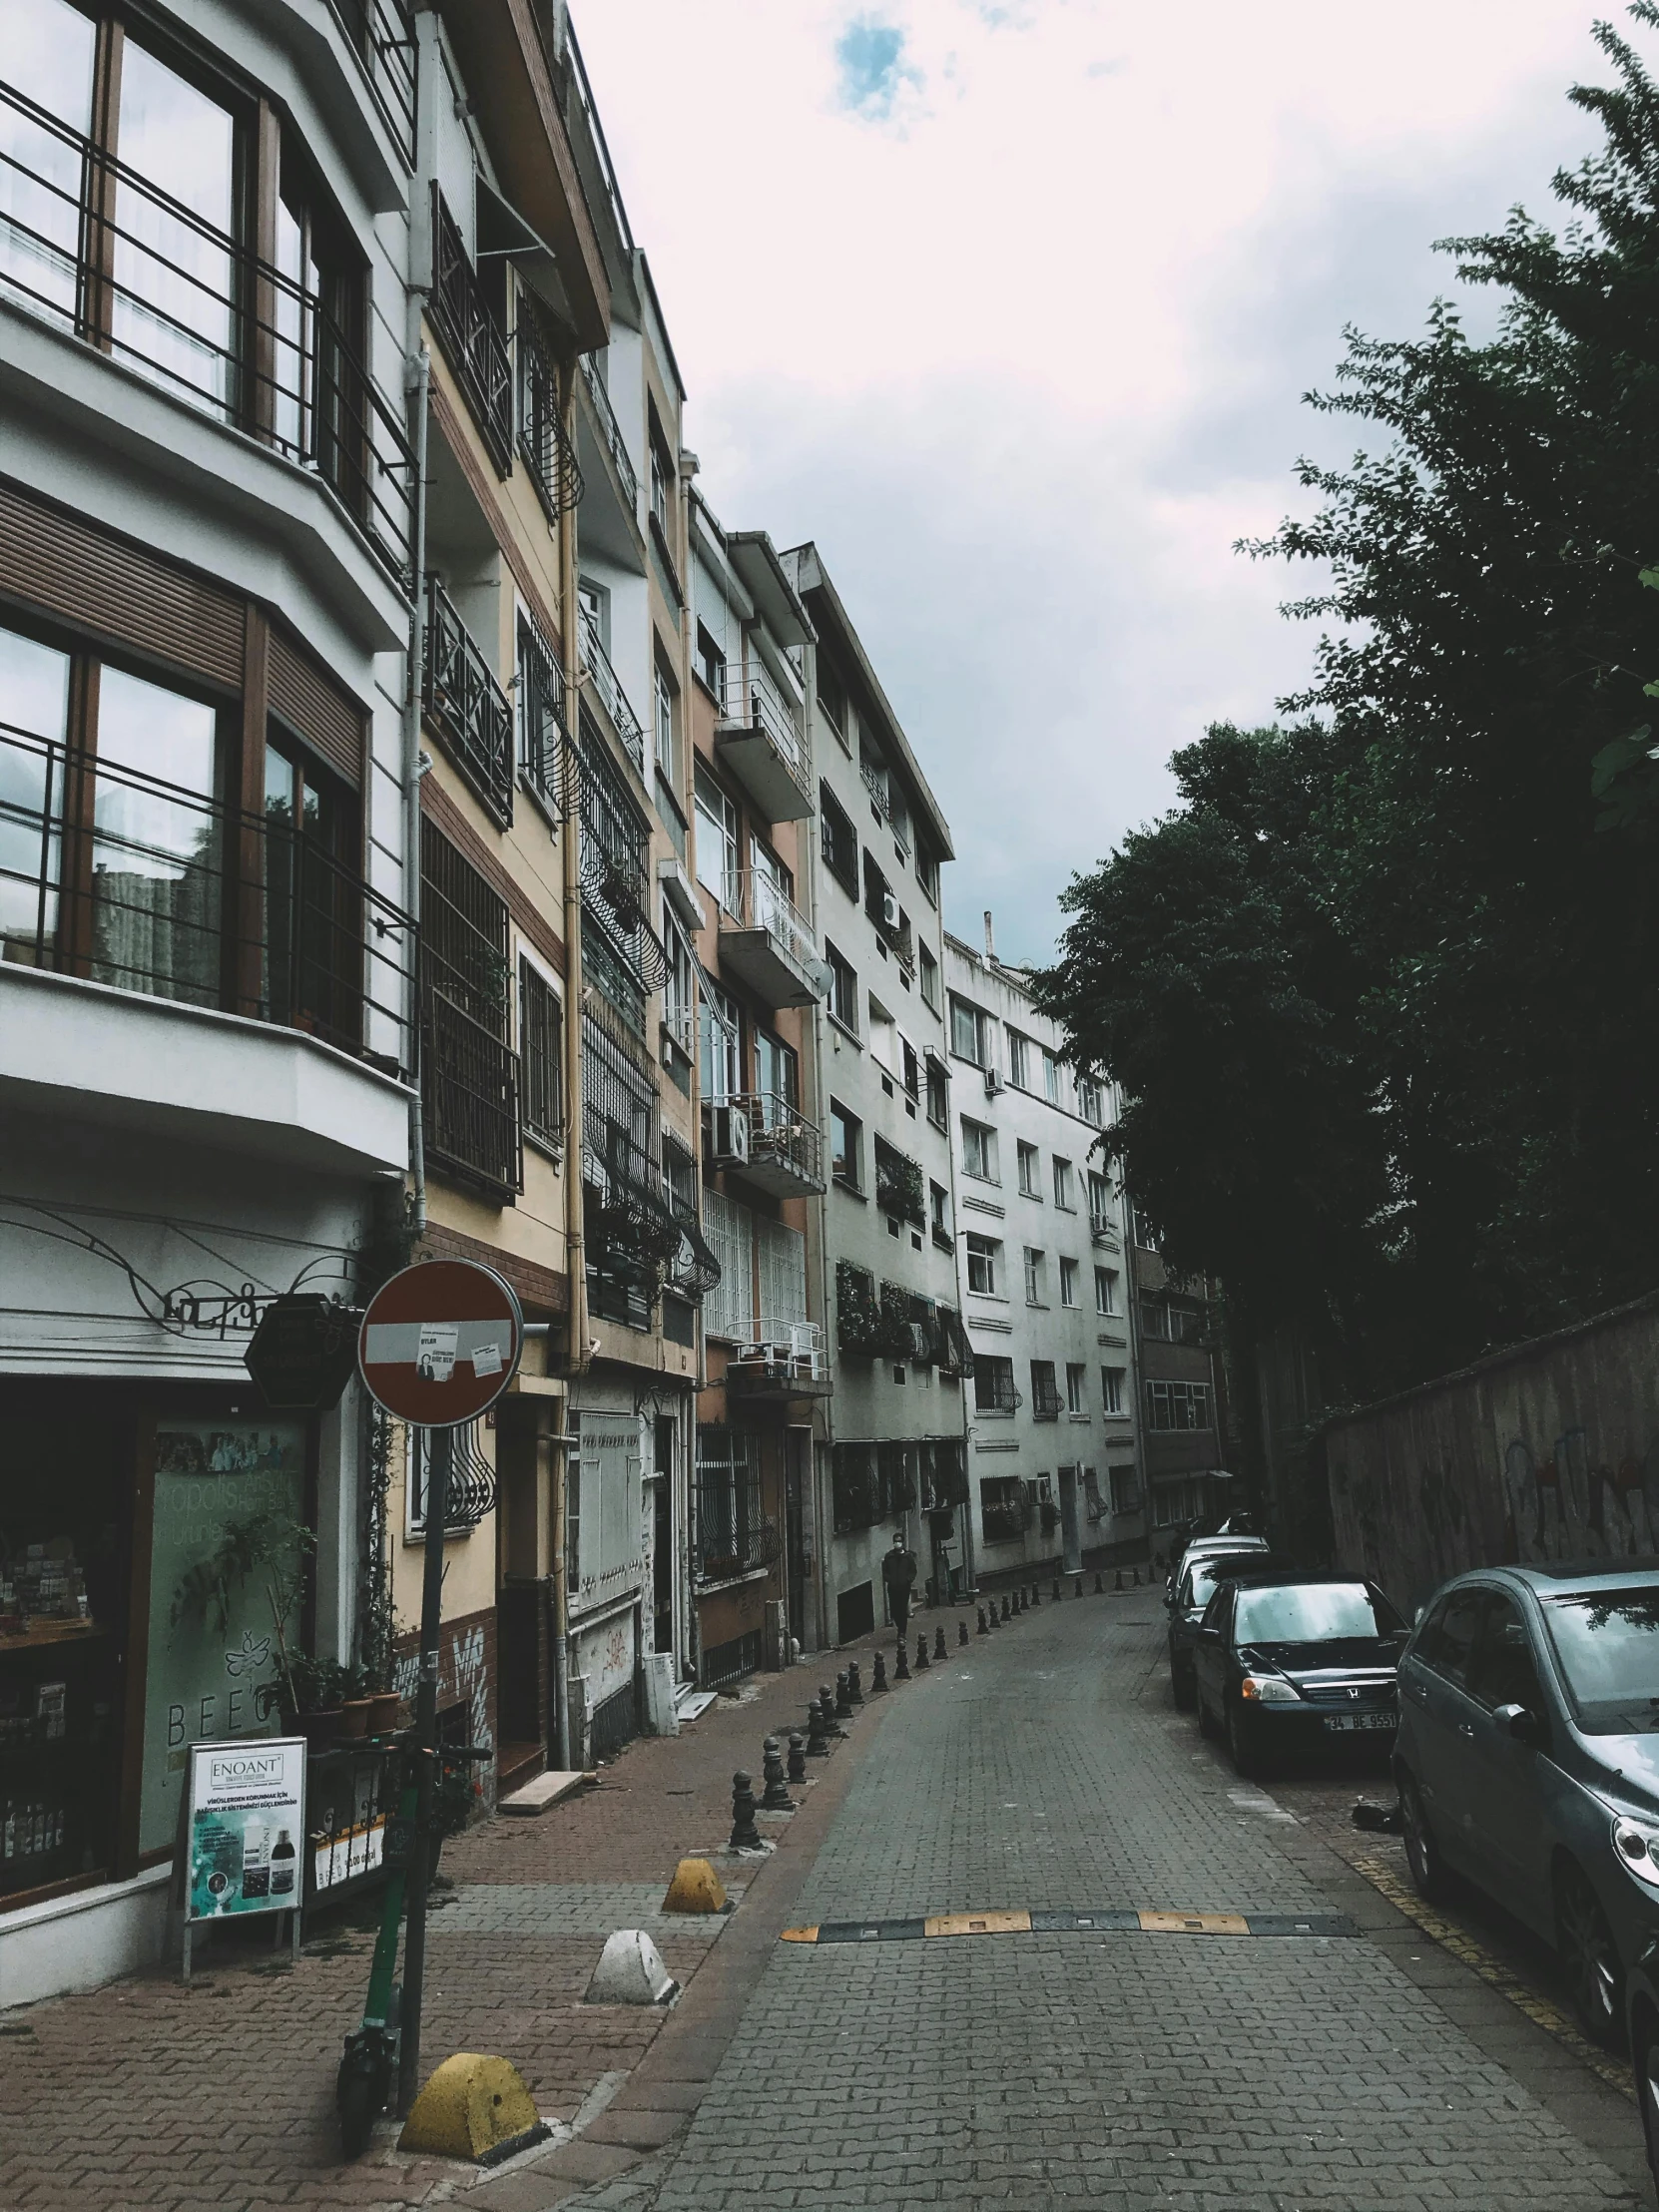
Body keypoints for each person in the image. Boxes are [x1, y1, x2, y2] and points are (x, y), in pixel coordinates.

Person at [881, 1529, 917, 1644]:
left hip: (904, 1587)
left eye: (899, 1541)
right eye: (895, 1541)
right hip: (892, 1587)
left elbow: (913, 1570)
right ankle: (899, 1627)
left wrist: (908, 1580)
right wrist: (889, 1579)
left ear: (902, 1542)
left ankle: (902, 1632)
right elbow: (885, 1571)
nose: (897, 1543)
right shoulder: (889, 1556)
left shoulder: (908, 1557)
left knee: (902, 1610)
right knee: (895, 1610)